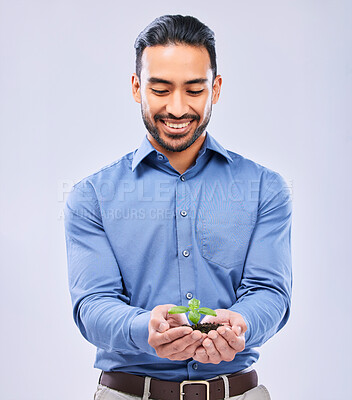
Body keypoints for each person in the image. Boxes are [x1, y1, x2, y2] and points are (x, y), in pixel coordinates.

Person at [64, 14, 292, 400]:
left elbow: (270, 291)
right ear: (137, 88)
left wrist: (242, 324)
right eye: (161, 88)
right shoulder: (91, 197)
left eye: (193, 89)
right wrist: (143, 328)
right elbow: (93, 305)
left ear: (215, 89)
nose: (177, 108)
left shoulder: (265, 189)